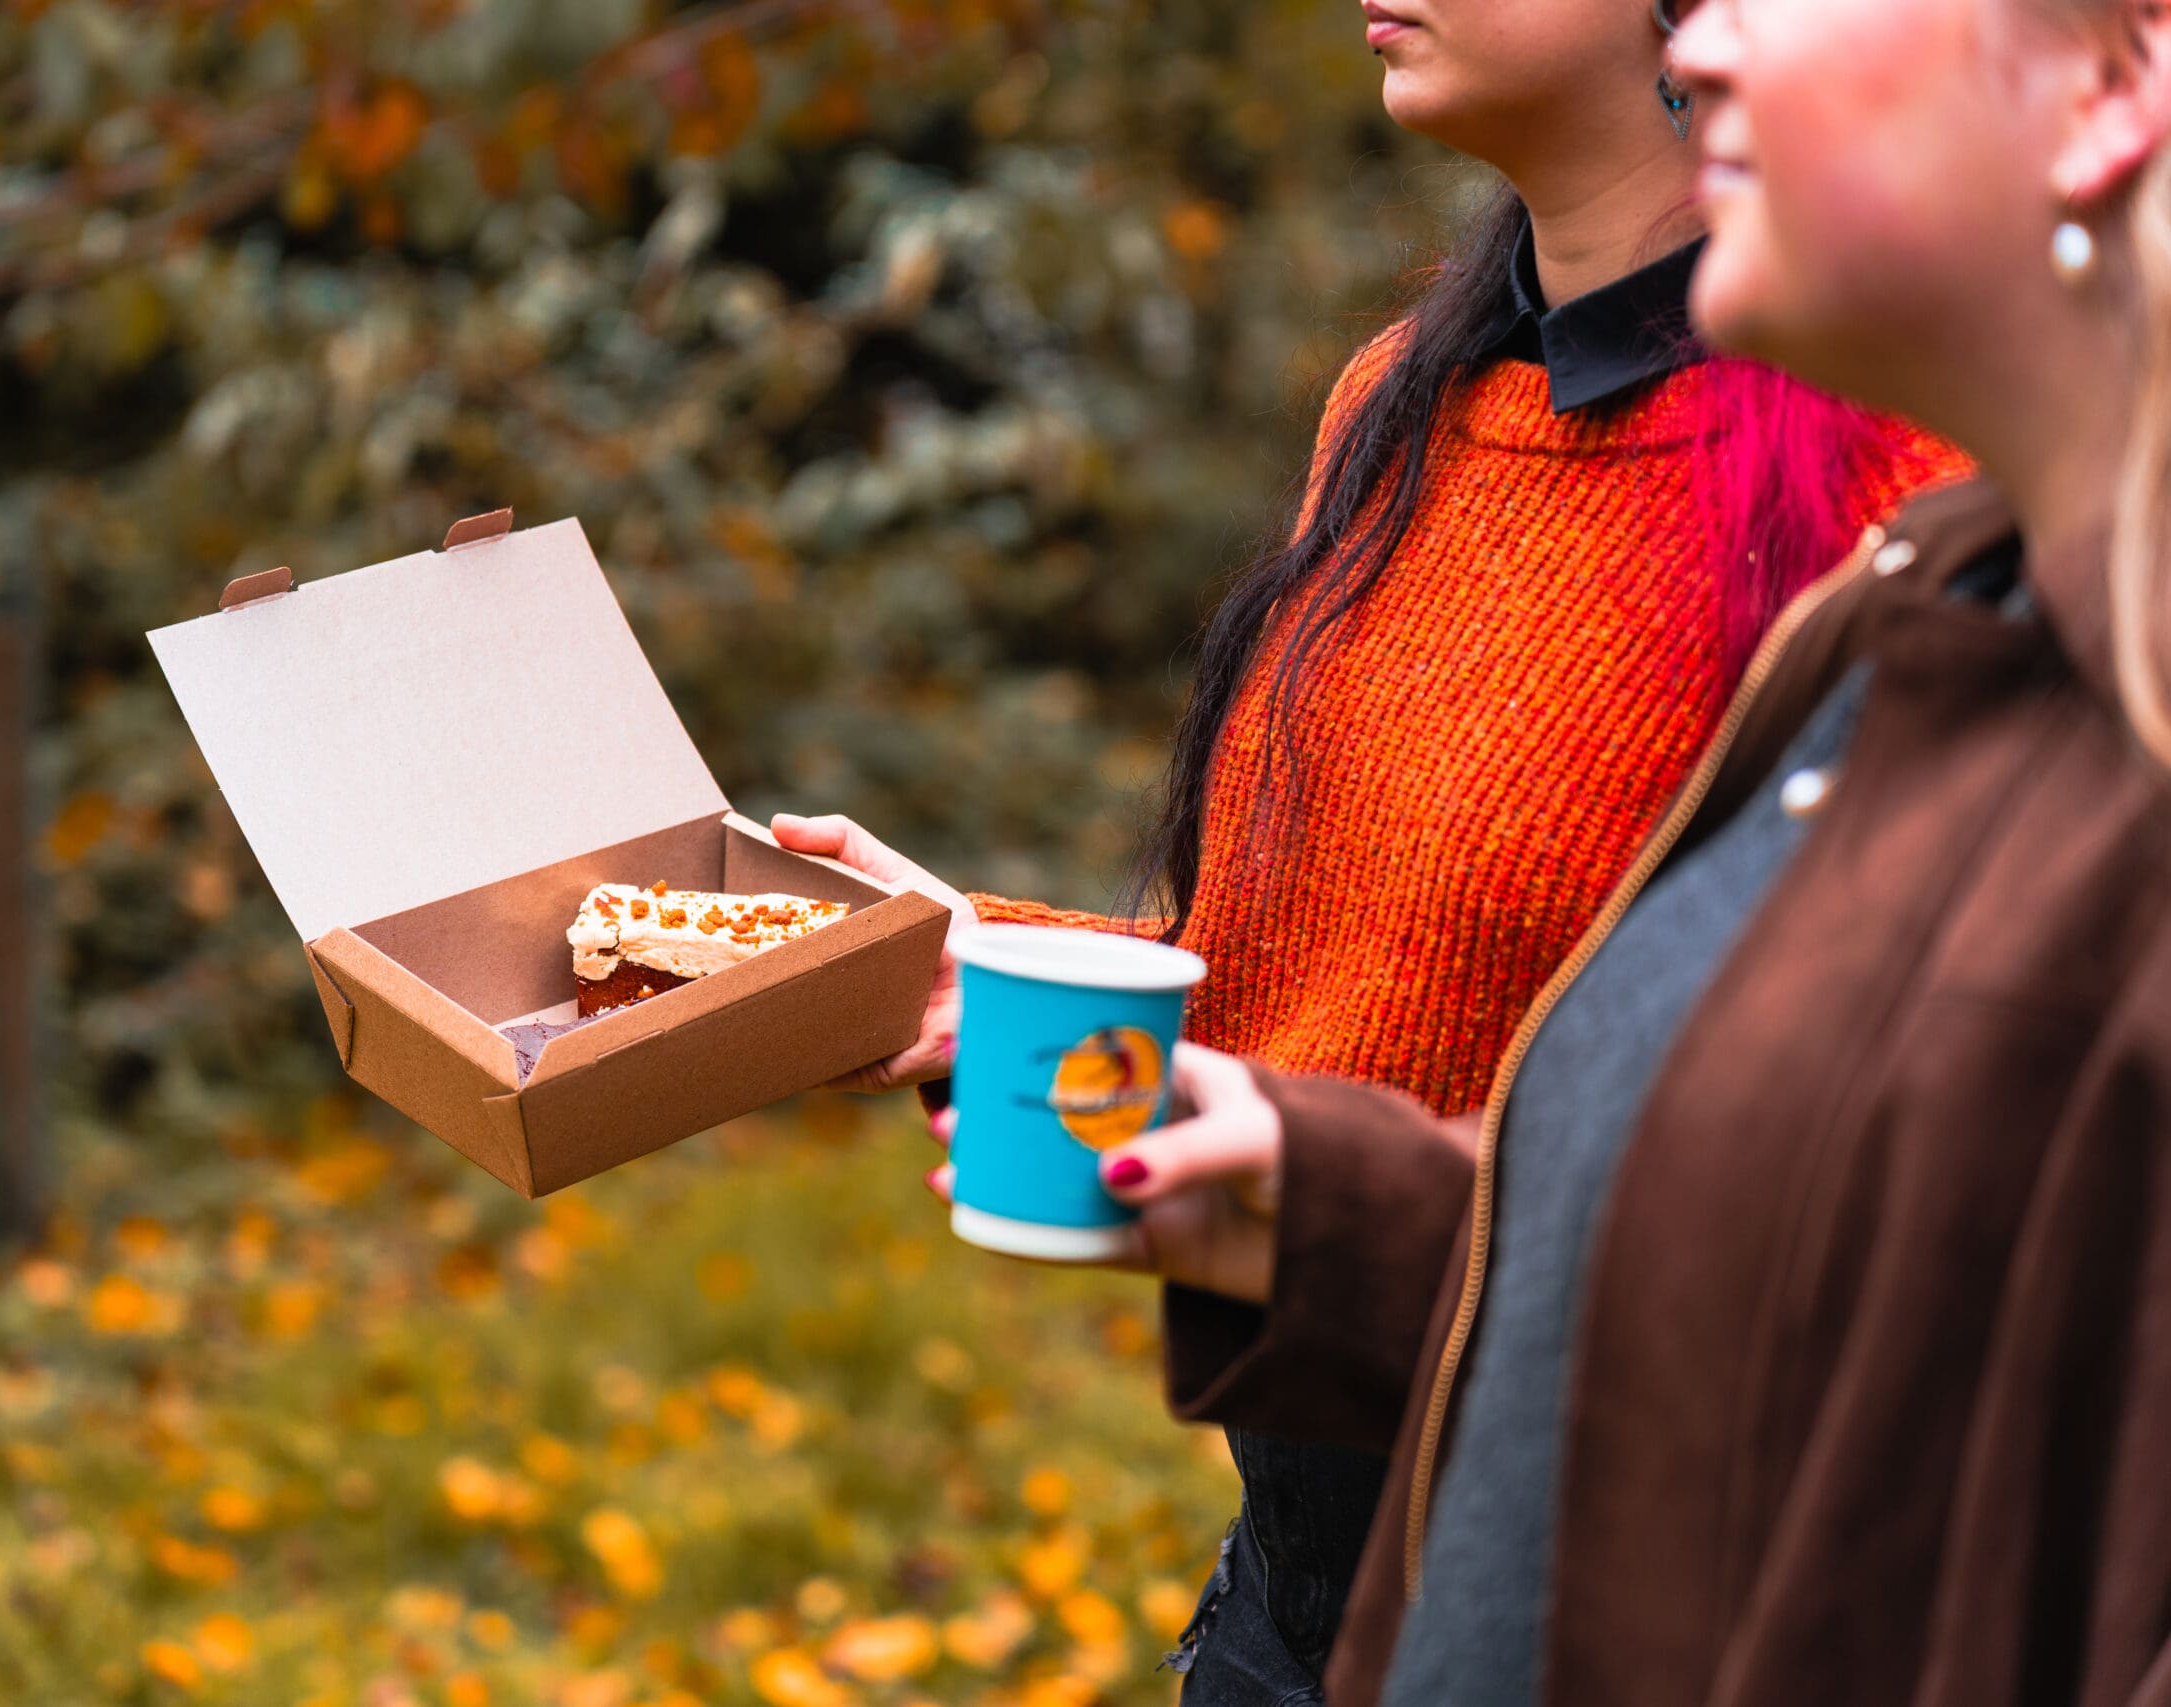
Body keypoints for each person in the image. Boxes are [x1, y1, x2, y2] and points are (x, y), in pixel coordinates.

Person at [776, 1, 1967, 1696]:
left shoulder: (1898, 474)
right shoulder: (1399, 405)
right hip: (1299, 1565)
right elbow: (1327, 973)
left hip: (1623, 1594)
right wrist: (986, 948)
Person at [1041, 0, 2171, 1699]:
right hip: (1321, 1575)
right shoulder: (1931, 607)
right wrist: (1317, 1197)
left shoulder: (1944, 604)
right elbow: (1752, 1268)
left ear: (2112, 82)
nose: (1699, 38)